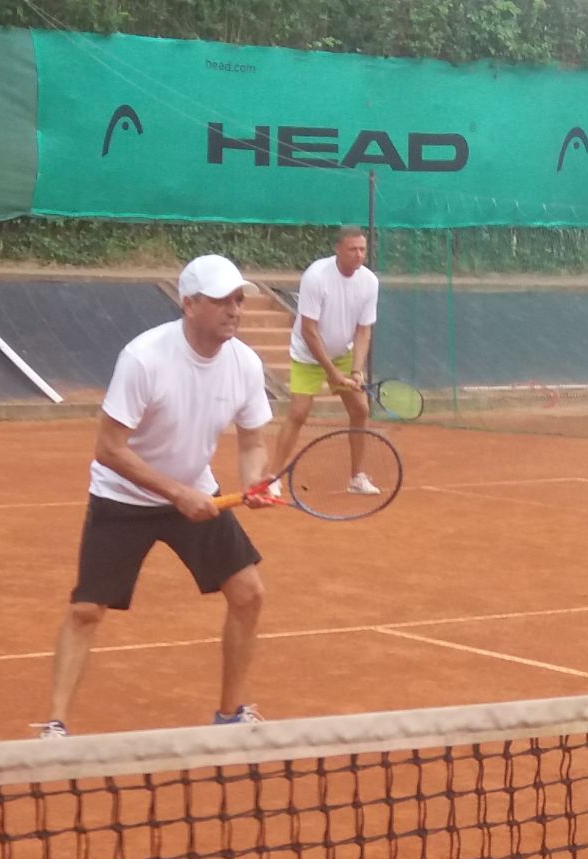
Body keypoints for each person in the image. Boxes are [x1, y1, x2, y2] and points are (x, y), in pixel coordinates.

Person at [36, 255, 273, 738]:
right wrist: (176, 494)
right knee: (86, 610)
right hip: (124, 496)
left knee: (249, 594)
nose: (234, 309)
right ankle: (54, 727)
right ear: (189, 304)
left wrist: (253, 482)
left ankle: (230, 715)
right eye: (222, 300)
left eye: (238, 299)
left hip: (194, 490)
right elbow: (108, 448)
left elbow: (253, 442)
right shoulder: (144, 358)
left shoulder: (245, 364)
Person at [268, 225, 380, 496]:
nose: (359, 255)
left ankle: (356, 477)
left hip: (342, 354)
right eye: (352, 249)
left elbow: (363, 331)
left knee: (360, 410)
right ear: (338, 249)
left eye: (362, 249)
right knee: (298, 413)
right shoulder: (316, 276)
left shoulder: (369, 282)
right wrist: (331, 372)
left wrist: (356, 370)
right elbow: (309, 330)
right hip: (308, 354)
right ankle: (272, 478)